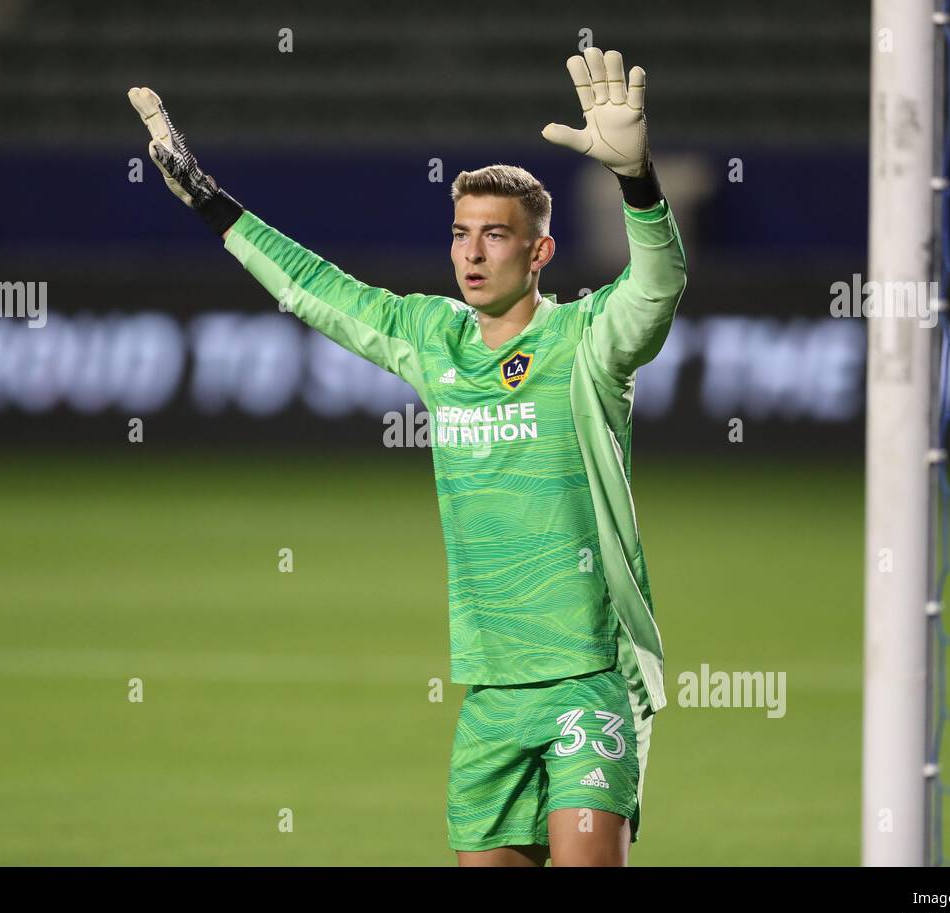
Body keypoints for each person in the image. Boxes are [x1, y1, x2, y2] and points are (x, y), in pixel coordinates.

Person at [129, 46, 687, 867]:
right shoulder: (434, 338)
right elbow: (313, 288)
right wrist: (212, 203)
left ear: (540, 253)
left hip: (588, 674)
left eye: (496, 236)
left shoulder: (588, 340)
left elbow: (659, 287)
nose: (471, 252)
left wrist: (637, 182)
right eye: (461, 233)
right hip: (491, 687)